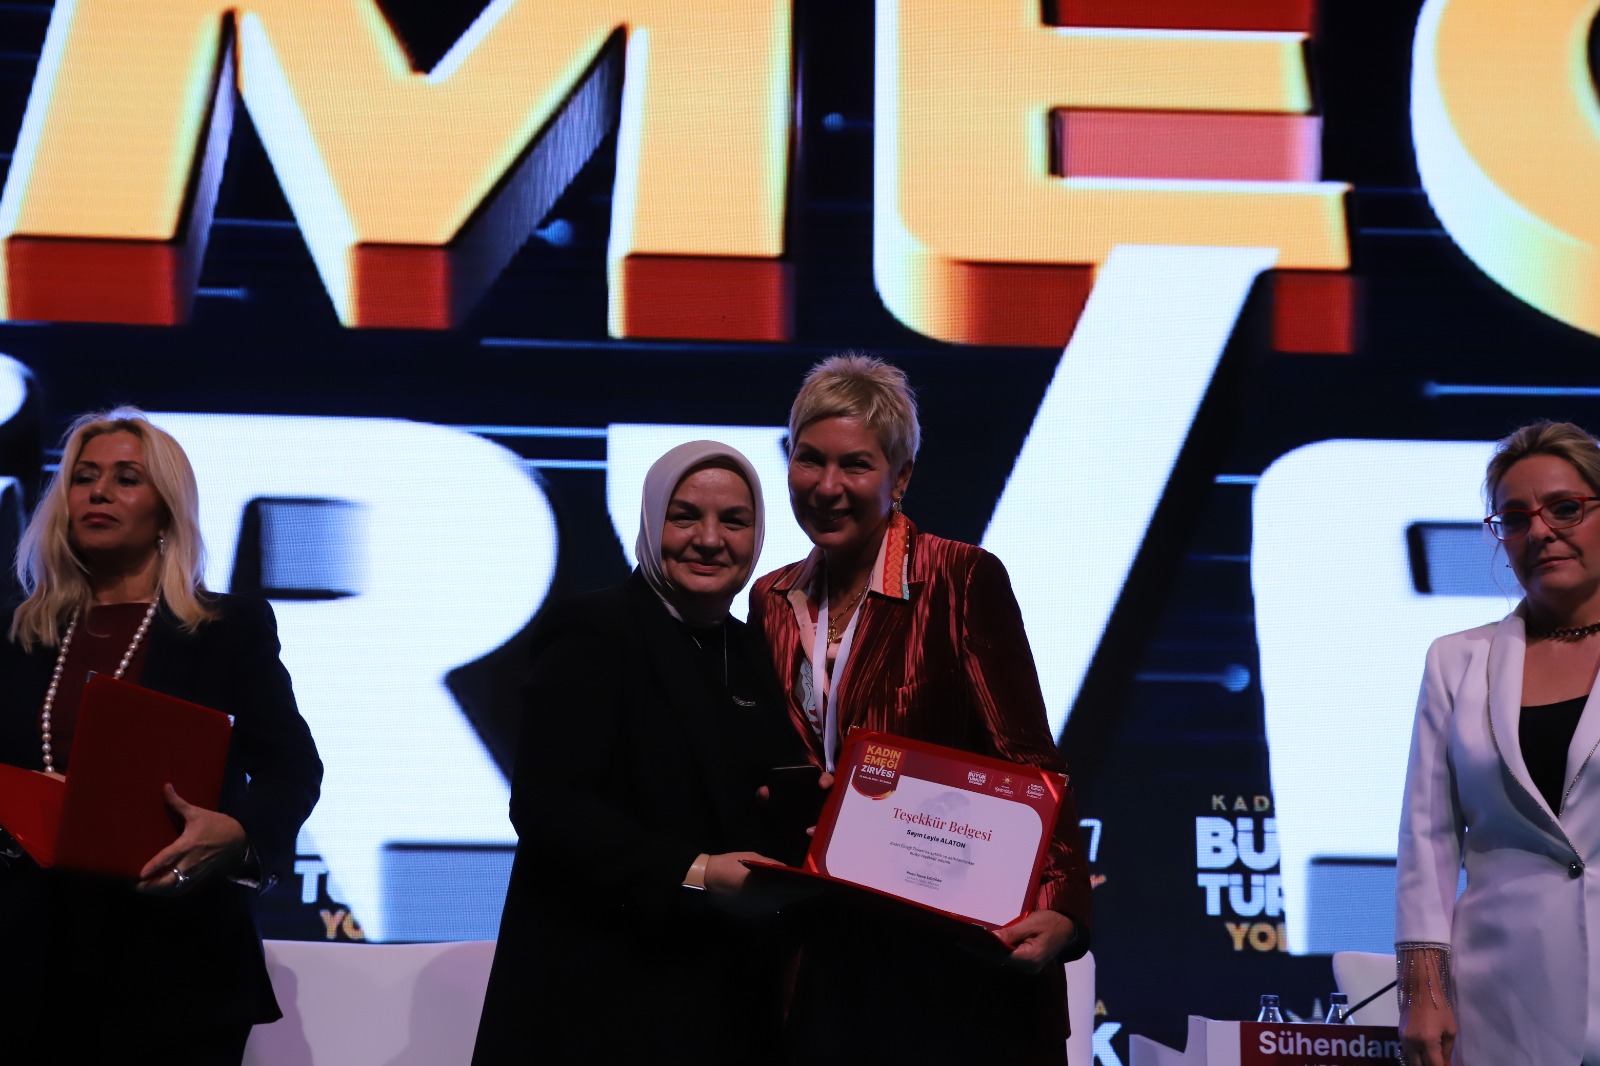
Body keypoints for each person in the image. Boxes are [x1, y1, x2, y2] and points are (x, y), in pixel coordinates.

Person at [750, 353, 1093, 1065]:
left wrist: (1062, 906)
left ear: (900, 477)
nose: (827, 486)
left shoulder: (959, 578)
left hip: (947, 962)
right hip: (824, 954)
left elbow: (1029, 760)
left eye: (856, 465)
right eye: (810, 459)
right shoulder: (772, 600)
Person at [0, 408, 323, 1063]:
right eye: (83, 477)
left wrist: (237, 834)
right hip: (25, 959)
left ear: (167, 513)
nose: (98, 492)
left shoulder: (226, 629)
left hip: (175, 960)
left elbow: (292, 766)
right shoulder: (16, 636)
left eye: (126, 479)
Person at [473, 440, 802, 1065]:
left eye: (734, 520)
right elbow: (547, 807)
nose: (710, 539)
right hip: (597, 999)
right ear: (651, 521)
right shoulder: (594, 631)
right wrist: (698, 871)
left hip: (721, 1001)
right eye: (685, 516)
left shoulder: (754, 651)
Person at [1396, 420, 1600, 1066]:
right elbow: (1428, 840)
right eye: (1514, 519)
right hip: (1503, 1003)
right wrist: (1422, 993)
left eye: (1564, 508)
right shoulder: (1456, 662)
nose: (1539, 531)